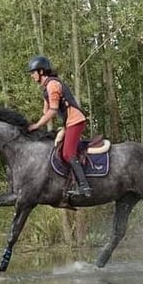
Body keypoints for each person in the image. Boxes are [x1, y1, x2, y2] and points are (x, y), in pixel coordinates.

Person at [26, 55, 92, 197]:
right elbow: (46, 112)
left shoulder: (52, 85)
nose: (31, 76)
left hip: (76, 120)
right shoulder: (46, 88)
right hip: (69, 122)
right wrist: (35, 124)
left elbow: (53, 110)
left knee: (68, 153)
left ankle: (84, 186)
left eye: (33, 72)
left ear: (41, 71)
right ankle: (71, 181)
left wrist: (36, 125)